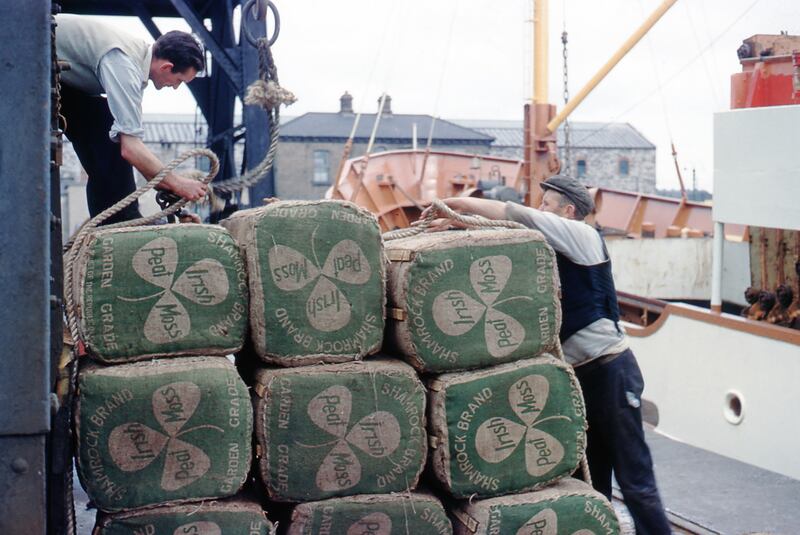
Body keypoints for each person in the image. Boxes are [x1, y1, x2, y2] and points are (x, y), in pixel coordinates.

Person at [422, 176, 671, 535]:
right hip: (580, 377)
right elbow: (510, 229)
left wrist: (457, 203)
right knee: (591, 478)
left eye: (547, 203)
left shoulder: (581, 235)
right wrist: (459, 225)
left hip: (610, 371)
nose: (541, 208)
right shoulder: (552, 243)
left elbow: (514, 214)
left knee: (636, 480)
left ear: (567, 211)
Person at [56, 14, 208, 224]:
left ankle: (116, 220)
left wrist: (170, 191)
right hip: (25, 61)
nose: (174, 87)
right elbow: (131, 149)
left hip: (54, 77)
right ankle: (120, 222)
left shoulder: (134, 60)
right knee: (107, 129)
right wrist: (177, 183)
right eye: (178, 81)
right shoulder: (124, 64)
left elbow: (130, 144)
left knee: (104, 124)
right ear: (166, 67)